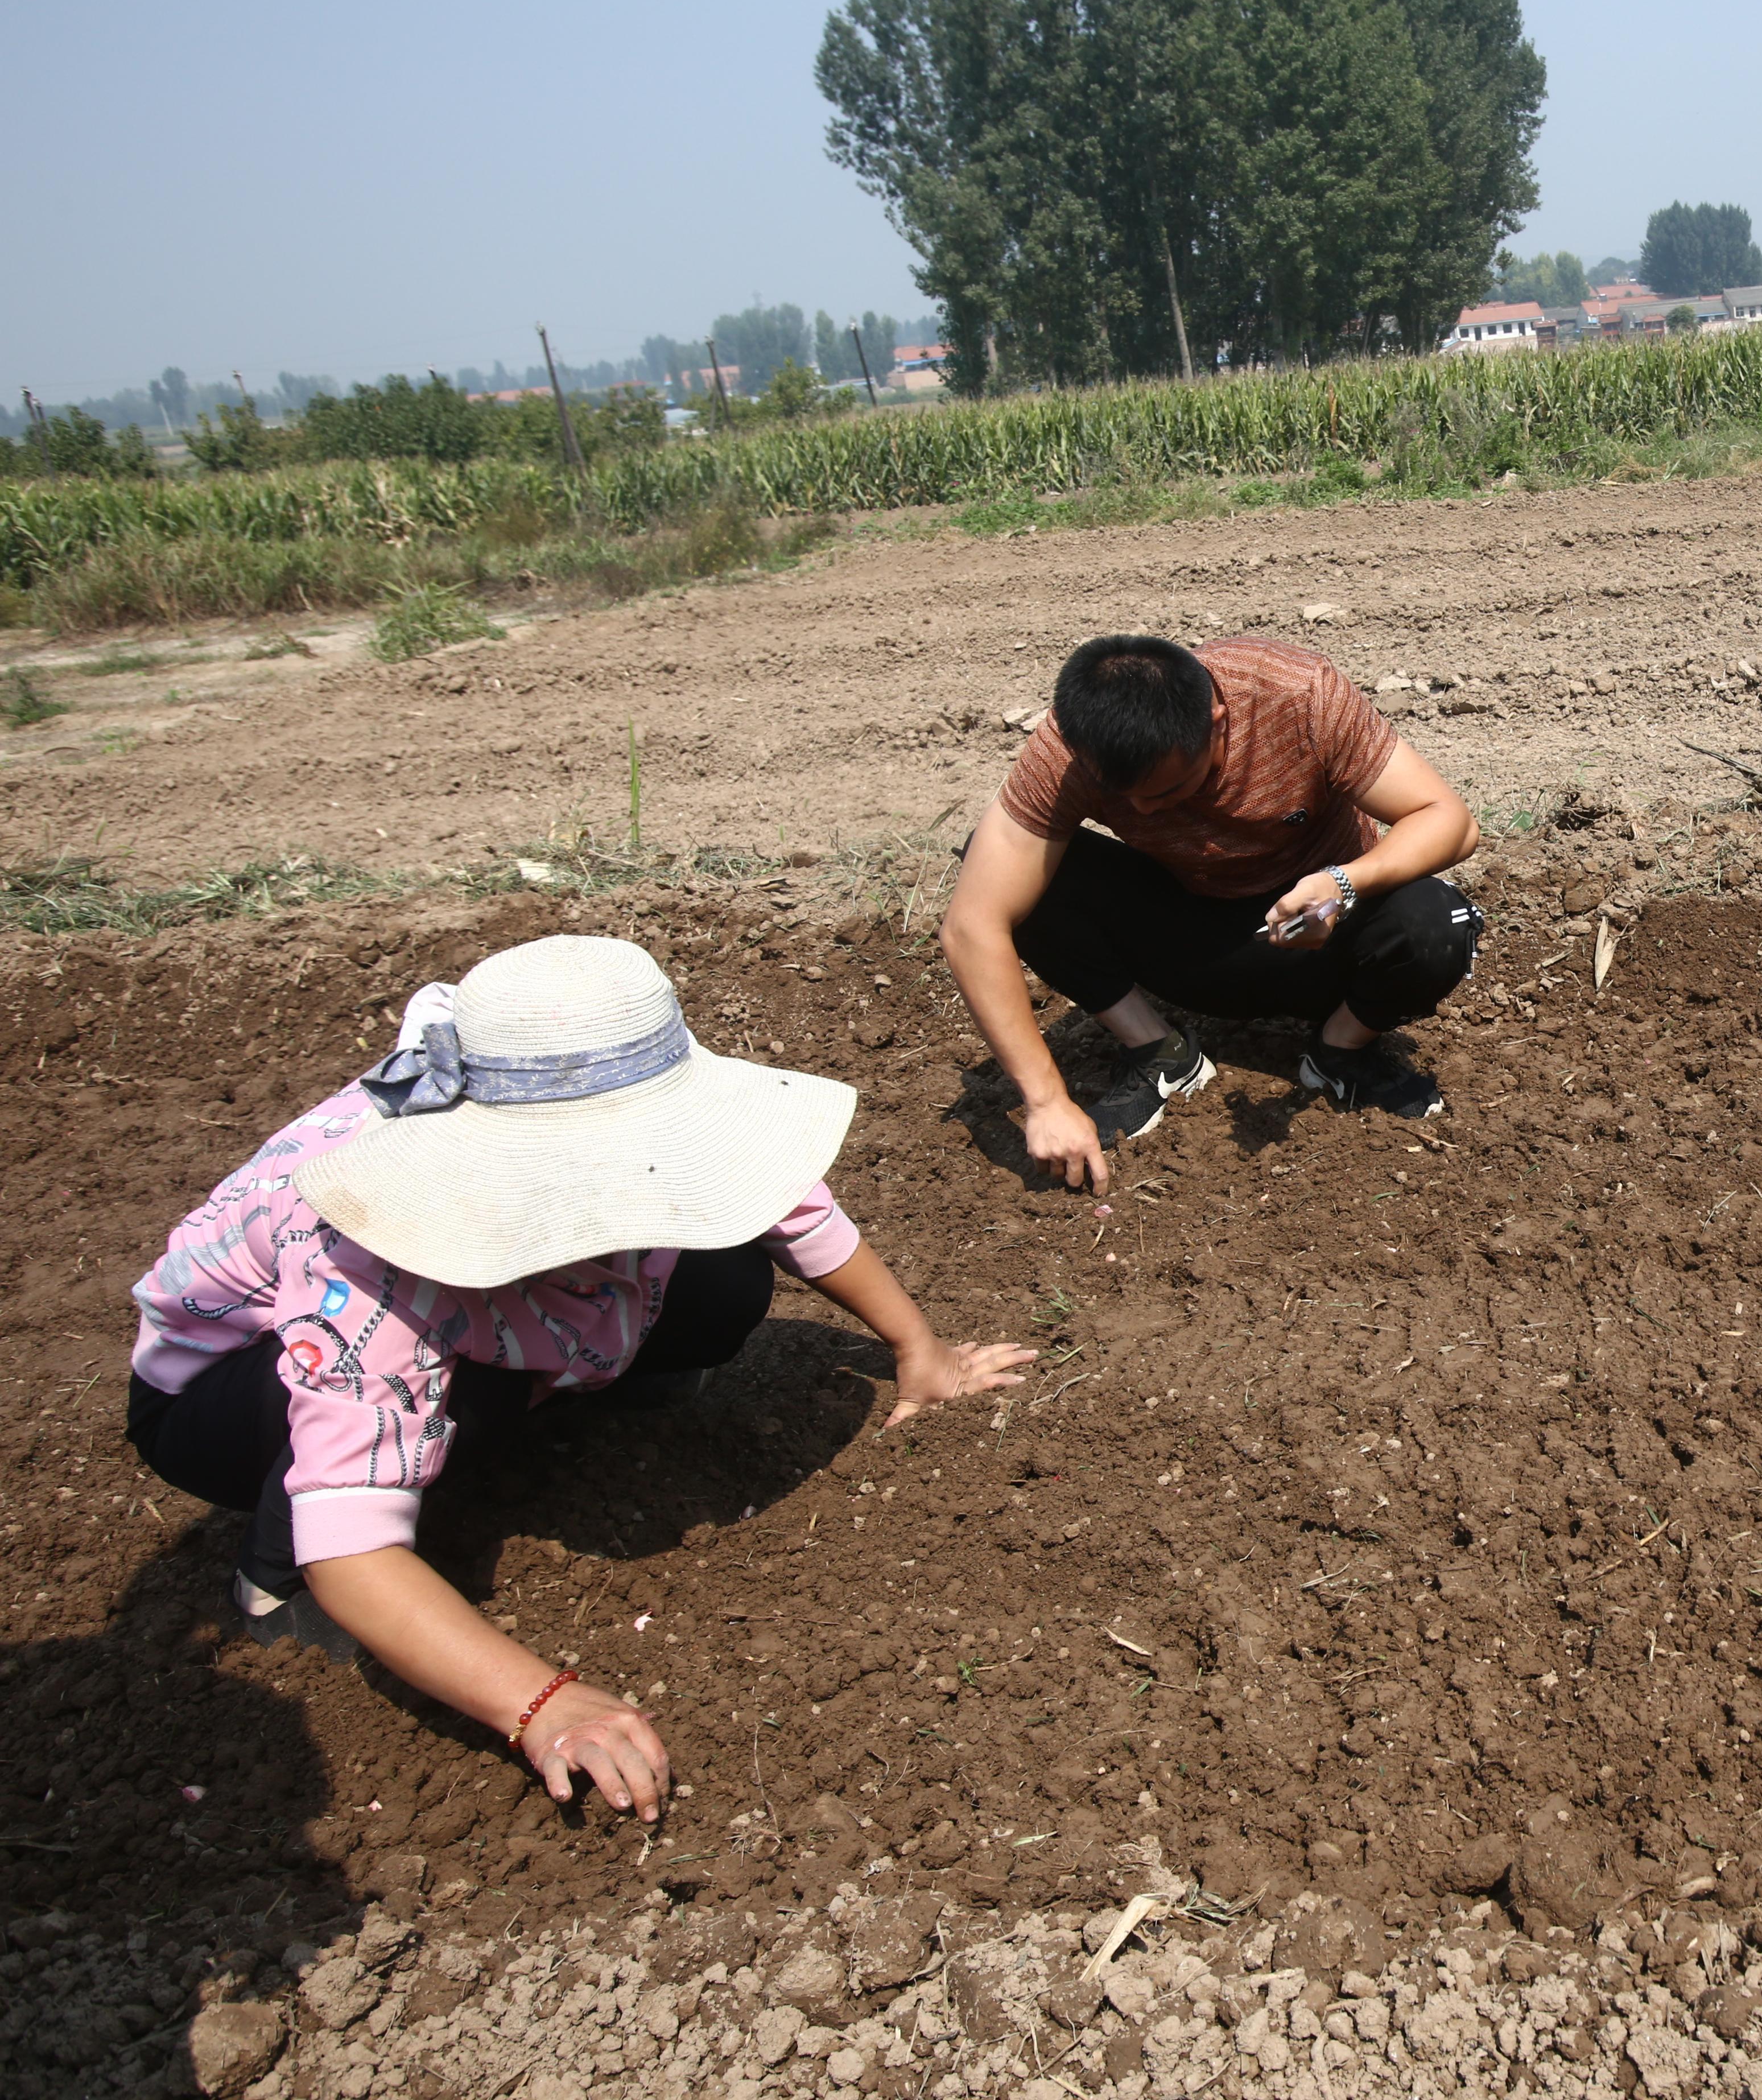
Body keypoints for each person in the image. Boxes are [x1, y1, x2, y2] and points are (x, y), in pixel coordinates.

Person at [123, 935, 1033, 1821]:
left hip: (484, 1320)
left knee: (725, 1275)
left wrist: (920, 1347)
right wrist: (541, 1703)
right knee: (461, 1396)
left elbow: (786, 1206)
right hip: (221, 1401)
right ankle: (271, 1578)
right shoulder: (375, 1255)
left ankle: (573, 1383)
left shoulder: (637, 1110)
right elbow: (354, 1550)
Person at [939, 633, 1484, 1190]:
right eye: (1123, 797)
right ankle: (1158, 1051)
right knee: (1010, 871)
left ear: (1218, 724)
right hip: (1196, 945)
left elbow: (1451, 820)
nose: (1144, 811)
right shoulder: (1072, 745)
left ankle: (1340, 1053)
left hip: (1323, 941)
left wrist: (1342, 883)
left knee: (1436, 921)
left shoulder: (1295, 694)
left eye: (1168, 790)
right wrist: (1046, 1101)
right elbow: (970, 926)